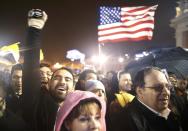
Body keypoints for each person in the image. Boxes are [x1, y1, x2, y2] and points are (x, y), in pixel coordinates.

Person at [21, 9, 75, 131]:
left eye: (67, 79)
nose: (62, 82)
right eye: (57, 77)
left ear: (74, 87)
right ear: (49, 84)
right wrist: (35, 28)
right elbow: (30, 68)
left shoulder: (79, 110)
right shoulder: (36, 103)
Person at [114, 67, 183, 131]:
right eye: (158, 88)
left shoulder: (172, 110)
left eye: (168, 86)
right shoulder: (127, 121)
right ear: (140, 91)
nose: (166, 92)